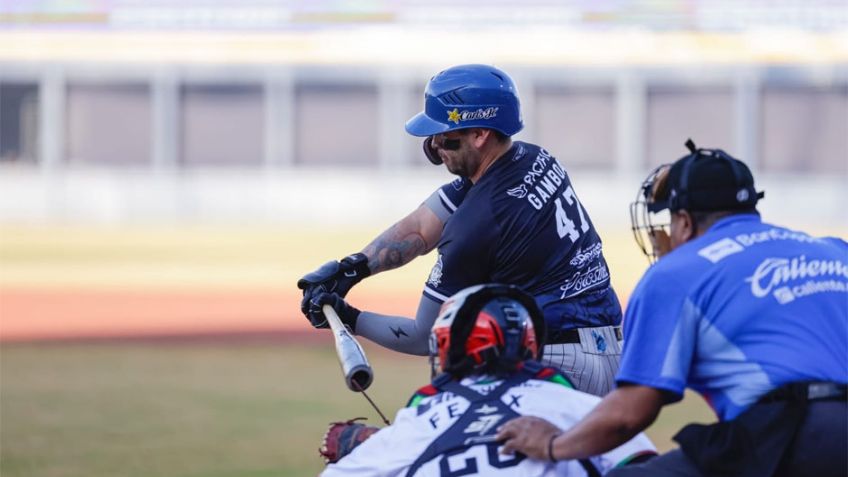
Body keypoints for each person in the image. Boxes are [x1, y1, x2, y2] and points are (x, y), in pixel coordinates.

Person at [496, 140, 848, 476]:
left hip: (791, 434)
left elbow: (629, 415)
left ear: (683, 221)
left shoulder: (675, 273)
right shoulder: (834, 250)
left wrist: (555, 443)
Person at [298, 64, 623, 396]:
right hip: (609, 350)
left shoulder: (476, 225)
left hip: (557, 364)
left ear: (480, 135)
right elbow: (423, 225)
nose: (435, 144)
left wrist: (349, 317)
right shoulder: (532, 158)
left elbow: (424, 335)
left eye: (444, 134)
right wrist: (353, 268)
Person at [320, 284, 656, 476]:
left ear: (450, 348)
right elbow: (644, 465)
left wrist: (377, 445)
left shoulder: (417, 423)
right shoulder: (584, 409)